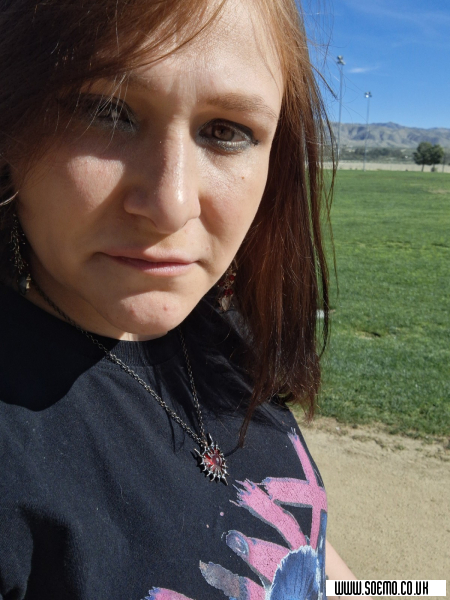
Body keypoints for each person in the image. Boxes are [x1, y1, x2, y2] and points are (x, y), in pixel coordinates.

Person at [0, 0, 363, 599]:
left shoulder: (222, 334)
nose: (172, 205)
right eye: (107, 111)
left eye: (226, 131)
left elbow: (305, 560)